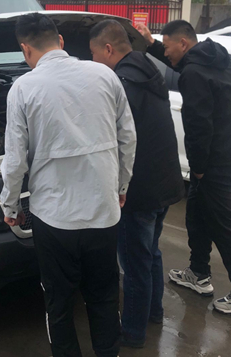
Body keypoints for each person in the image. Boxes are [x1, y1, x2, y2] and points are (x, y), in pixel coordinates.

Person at [0, 13, 137, 357]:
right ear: (60, 41)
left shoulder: (23, 89)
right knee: (104, 296)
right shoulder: (105, 75)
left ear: (25, 49)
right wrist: (121, 187)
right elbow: (128, 138)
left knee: (58, 301)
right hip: (103, 212)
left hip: (54, 219)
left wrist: (10, 205)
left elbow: (15, 160)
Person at [136, 20, 231, 315]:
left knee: (221, 224)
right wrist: (152, 44)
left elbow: (199, 126)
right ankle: (198, 273)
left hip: (213, 163)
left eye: (167, 47)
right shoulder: (214, 56)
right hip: (228, 154)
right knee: (196, 214)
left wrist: (198, 169)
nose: (166, 53)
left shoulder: (194, 73)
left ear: (183, 44)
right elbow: (185, 65)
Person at [88, 19, 185, 348]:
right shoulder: (147, 69)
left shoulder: (122, 85)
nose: (93, 62)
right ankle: (153, 312)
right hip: (165, 182)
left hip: (139, 190)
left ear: (108, 49)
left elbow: (114, 142)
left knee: (134, 264)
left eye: (93, 55)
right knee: (150, 253)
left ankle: (132, 333)